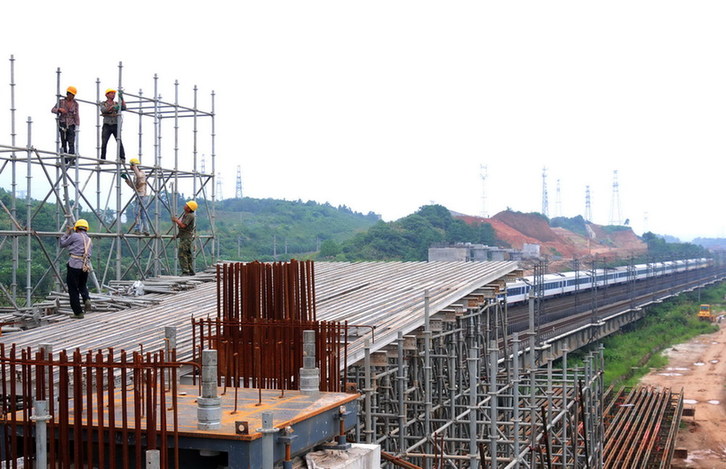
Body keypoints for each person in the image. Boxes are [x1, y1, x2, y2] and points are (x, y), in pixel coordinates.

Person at [59, 219, 93, 318]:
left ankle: (78, 312)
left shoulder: (74, 236)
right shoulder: (89, 240)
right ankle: (86, 298)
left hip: (74, 264)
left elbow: (62, 243)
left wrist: (66, 233)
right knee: (82, 285)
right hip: (85, 266)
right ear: (86, 228)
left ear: (76, 228)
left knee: (73, 289)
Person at [51, 86, 80, 163]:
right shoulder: (61, 102)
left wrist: (77, 125)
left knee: (71, 142)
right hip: (63, 123)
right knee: (63, 142)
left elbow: (76, 115)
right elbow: (52, 110)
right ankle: (65, 159)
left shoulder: (75, 104)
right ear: (68, 94)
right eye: (71, 95)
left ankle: (71, 159)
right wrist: (59, 109)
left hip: (71, 124)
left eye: (73, 95)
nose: (72, 97)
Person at [122, 158, 150, 235]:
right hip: (140, 195)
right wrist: (127, 180)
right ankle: (146, 230)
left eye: (131, 165)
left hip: (142, 196)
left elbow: (139, 176)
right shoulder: (136, 174)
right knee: (142, 214)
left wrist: (135, 167)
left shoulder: (141, 173)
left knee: (137, 213)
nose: (130, 167)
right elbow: (134, 186)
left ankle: (138, 229)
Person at [99, 88, 126, 162]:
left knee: (119, 140)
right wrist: (112, 107)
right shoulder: (103, 103)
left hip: (115, 124)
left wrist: (122, 98)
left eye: (114, 93)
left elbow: (124, 108)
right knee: (104, 142)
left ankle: (122, 157)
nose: (113, 95)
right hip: (107, 125)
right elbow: (104, 110)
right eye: (111, 93)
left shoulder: (116, 103)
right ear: (107, 95)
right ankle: (102, 158)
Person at [172, 201, 197, 276]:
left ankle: (185, 271)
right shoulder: (187, 215)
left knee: (182, 254)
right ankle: (191, 271)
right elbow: (183, 229)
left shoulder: (190, 215)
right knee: (187, 254)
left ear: (189, 209)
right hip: (185, 237)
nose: (185, 205)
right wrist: (178, 235)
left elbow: (183, 226)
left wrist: (176, 220)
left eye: (187, 205)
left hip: (186, 238)